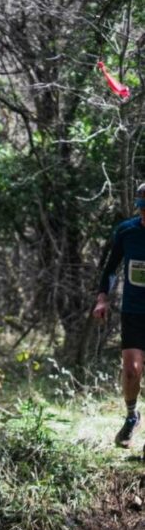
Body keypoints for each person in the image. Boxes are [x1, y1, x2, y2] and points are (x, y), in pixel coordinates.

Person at [93, 183, 145, 450]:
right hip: (134, 311)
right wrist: (103, 297)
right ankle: (131, 416)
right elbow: (111, 268)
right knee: (131, 370)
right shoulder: (127, 231)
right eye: (143, 208)